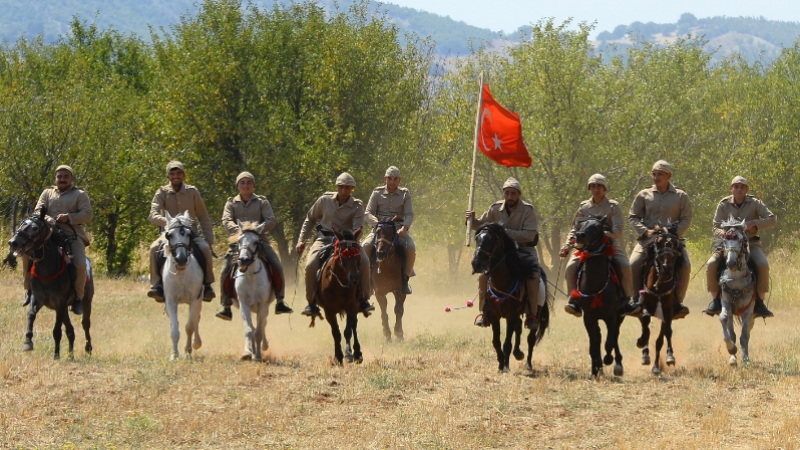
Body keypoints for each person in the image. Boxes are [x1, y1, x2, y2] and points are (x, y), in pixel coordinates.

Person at [465, 177, 541, 330]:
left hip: (524, 251)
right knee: (483, 277)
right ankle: (484, 313)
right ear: (503, 194)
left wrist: (504, 233)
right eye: (507, 193)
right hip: (500, 254)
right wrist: (471, 221)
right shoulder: (494, 209)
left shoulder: (528, 210)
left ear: (518, 194)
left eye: (513, 193)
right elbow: (482, 226)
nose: (510, 197)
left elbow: (529, 235)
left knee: (533, 276)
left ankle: (531, 314)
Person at [215, 171, 293, 320]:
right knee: (225, 268)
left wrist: (257, 229)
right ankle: (225, 305)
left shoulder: (262, 202)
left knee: (277, 264)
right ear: (237, 185)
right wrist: (241, 231)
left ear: (254, 185)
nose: (245, 185)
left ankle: (280, 300)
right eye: (242, 183)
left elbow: (271, 220)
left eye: (249, 182)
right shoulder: (231, 202)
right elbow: (226, 220)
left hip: (260, 241)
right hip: (239, 242)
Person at [296, 173, 374, 317]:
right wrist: (302, 240)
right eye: (341, 187)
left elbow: (359, 228)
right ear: (337, 187)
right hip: (324, 238)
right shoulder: (324, 200)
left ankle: (364, 299)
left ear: (352, 189)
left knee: (365, 262)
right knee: (311, 265)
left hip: (348, 242)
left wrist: (348, 241)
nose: (344, 191)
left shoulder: (357, 206)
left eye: (347, 187)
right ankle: (311, 302)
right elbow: (310, 218)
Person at [559, 174, 635, 317]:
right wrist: (568, 246)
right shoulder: (584, 207)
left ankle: (627, 300)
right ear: (589, 188)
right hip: (586, 247)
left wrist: (603, 234)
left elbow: (618, 229)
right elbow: (575, 229)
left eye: (599, 186)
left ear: (604, 188)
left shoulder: (613, 206)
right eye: (593, 186)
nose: (596, 189)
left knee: (625, 265)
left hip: (609, 244)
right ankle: (573, 300)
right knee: (570, 267)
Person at [23, 165, 92, 314]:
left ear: (71, 178)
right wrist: (48, 218)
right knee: (25, 252)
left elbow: (87, 215)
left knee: (80, 264)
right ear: (55, 178)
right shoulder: (47, 193)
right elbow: (37, 211)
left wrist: (69, 217)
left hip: (71, 234)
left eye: (66, 176)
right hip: (47, 233)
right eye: (59, 176)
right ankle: (29, 289)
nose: (62, 179)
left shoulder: (80, 194)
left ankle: (78, 299)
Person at [703, 176, 775, 318]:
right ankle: (715, 301)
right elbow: (715, 227)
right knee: (711, 264)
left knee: (763, 265)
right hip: (728, 245)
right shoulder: (723, 204)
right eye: (736, 187)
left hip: (751, 244)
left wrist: (753, 223)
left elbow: (772, 220)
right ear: (731, 189)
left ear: (747, 189)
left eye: (742, 187)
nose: (739, 189)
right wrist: (725, 233)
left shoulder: (755, 203)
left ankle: (760, 303)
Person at [628, 160, 691, 319]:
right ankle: (635, 300)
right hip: (648, 240)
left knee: (686, 265)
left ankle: (677, 302)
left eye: (660, 174)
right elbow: (633, 217)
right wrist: (645, 231)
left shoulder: (681, 196)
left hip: (671, 241)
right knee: (633, 263)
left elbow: (686, 218)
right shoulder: (643, 195)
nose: (656, 177)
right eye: (654, 174)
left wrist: (675, 233)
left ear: (668, 176)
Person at [146, 161, 216, 302]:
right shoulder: (161, 192)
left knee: (204, 249)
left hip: (191, 233)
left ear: (183, 175)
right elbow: (152, 215)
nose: (175, 176)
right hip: (170, 234)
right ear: (168, 176)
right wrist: (171, 224)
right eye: (172, 173)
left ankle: (208, 285)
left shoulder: (192, 192)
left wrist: (209, 240)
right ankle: (157, 285)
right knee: (153, 248)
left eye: (178, 173)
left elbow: (203, 216)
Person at [362, 165, 416, 294]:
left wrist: (404, 228)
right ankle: (367, 282)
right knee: (365, 247)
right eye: (390, 179)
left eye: (395, 179)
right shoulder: (377, 193)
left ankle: (405, 280)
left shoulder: (405, 194)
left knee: (411, 247)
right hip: (380, 229)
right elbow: (367, 213)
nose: (392, 182)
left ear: (399, 180)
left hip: (398, 230)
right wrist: (378, 224)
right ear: (385, 179)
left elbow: (409, 214)